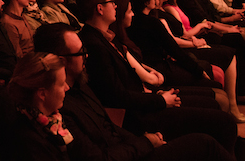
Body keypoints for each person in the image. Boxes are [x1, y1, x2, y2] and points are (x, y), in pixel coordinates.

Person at [34, 23, 237, 161]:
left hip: (132, 146)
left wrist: (147, 141)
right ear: (60, 60)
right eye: (80, 53)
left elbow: (110, 128)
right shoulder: (58, 104)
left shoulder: (80, 83)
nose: (86, 56)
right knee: (206, 142)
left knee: (220, 122)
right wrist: (145, 143)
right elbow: (99, 157)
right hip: (130, 148)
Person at [76, 0, 238, 150]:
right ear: (100, 9)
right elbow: (116, 95)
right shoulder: (94, 44)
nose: (116, 5)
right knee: (223, 120)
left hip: (146, 99)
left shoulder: (107, 36)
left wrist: (154, 93)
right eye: (111, 2)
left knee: (218, 101)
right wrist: (159, 100)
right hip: (137, 116)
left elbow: (132, 74)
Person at [0, 52, 73, 161]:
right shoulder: (28, 142)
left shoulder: (51, 119)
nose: (67, 87)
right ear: (42, 94)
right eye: (61, 84)